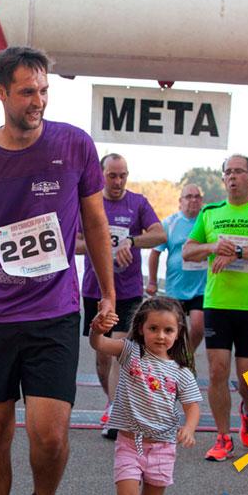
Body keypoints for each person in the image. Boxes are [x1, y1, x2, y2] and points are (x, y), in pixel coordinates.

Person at [0, 46, 114, 495]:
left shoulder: (74, 144)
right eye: (26, 92)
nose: (38, 101)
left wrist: (108, 293)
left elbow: (96, 223)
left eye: (43, 91)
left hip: (54, 311)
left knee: (49, 435)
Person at [182, 154, 248, 462]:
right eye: (228, 172)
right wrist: (213, 247)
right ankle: (223, 436)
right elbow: (188, 251)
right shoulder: (210, 212)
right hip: (218, 304)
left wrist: (239, 251)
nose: (232, 177)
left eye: (239, 171)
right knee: (217, 371)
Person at [77, 153, 166, 439]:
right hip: (95, 290)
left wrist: (132, 240)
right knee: (103, 357)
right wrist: (98, 244)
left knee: (120, 351)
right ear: (100, 174)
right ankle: (112, 401)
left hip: (127, 291)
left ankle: (117, 413)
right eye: (112, 176)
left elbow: (160, 235)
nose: (118, 181)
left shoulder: (137, 203)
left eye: (123, 175)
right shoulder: (88, 203)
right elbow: (72, 242)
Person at [89, 297, 201, 495]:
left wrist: (189, 428)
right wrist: (96, 330)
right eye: (153, 328)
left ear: (178, 332)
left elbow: (192, 407)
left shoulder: (182, 372)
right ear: (141, 328)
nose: (161, 336)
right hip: (129, 443)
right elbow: (99, 344)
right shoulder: (130, 352)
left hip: (162, 447)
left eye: (168, 330)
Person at [147, 184, 207, 358]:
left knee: (198, 327)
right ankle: (172, 360)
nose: (193, 200)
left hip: (201, 287)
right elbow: (155, 253)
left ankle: (186, 356)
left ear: (201, 201)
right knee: (174, 330)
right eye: (188, 197)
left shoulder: (207, 222)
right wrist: (152, 281)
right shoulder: (170, 223)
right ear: (180, 201)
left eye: (197, 196)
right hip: (176, 289)